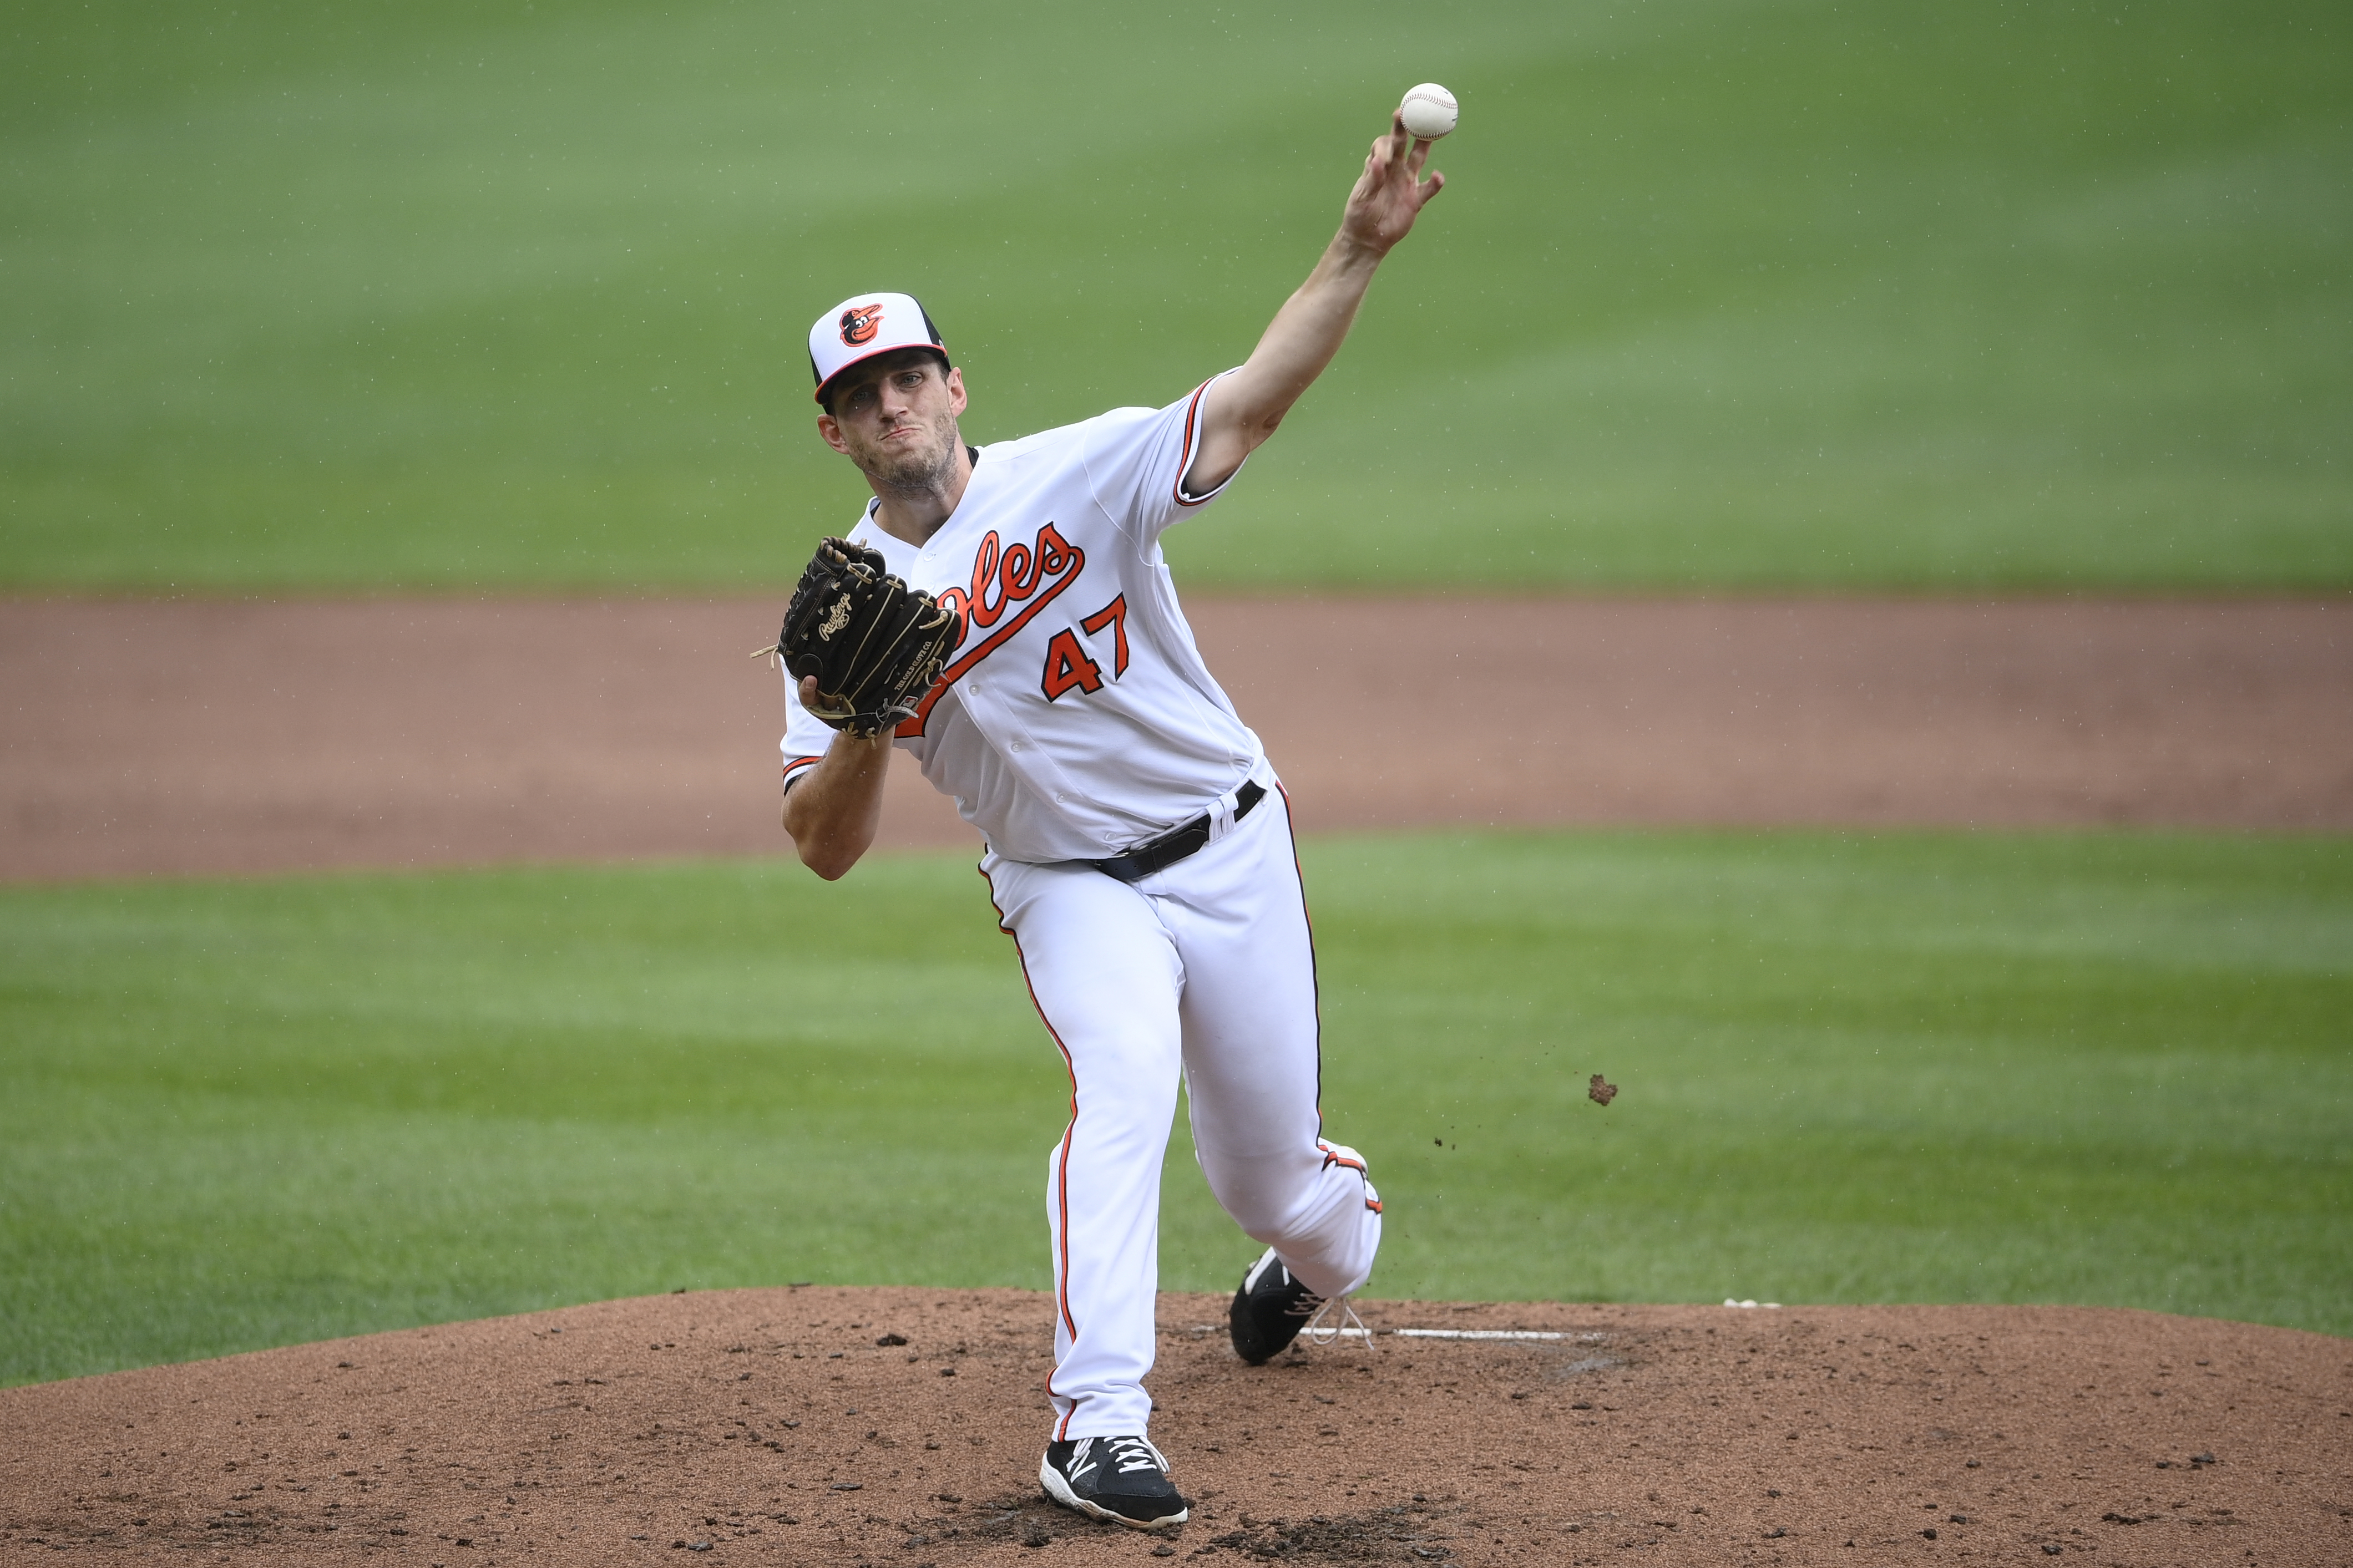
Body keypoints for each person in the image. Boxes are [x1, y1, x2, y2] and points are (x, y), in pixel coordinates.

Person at [777, 110, 1445, 1532]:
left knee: (1271, 1184)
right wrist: (863, 721)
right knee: (1125, 1080)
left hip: (1231, 836)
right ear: (832, 430)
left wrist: (1357, 245)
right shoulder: (835, 616)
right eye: (863, 393)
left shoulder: (1078, 472)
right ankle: (1098, 1421)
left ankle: (1325, 1251)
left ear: (956, 385)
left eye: (910, 374)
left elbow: (1255, 399)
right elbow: (823, 843)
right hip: (1067, 884)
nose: (894, 405)